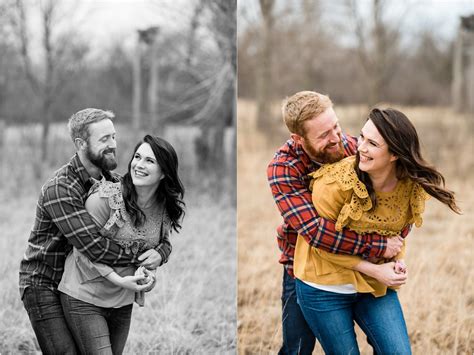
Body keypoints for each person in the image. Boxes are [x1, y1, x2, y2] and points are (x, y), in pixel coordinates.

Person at [294, 108, 460, 354]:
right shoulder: (334, 183)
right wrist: (375, 269)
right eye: (361, 137)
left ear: (394, 154)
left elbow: (398, 234)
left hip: (374, 285)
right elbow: (320, 244)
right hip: (322, 285)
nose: (360, 147)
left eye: (372, 143)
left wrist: (396, 262)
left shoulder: (409, 188)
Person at [267, 91, 408, 355]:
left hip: (362, 273)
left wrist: (395, 250)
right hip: (304, 271)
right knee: (297, 350)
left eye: (336, 126)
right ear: (298, 138)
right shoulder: (284, 168)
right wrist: (381, 245)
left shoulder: (355, 148)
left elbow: (393, 206)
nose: (336, 139)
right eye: (323, 135)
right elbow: (318, 233)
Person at [19, 109, 166, 354]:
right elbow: (94, 246)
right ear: (81, 144)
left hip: (84, 282)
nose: (113, 145)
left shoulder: (116, 185)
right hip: (44, 282)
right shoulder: (61, 188)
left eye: (114, 137)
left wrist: (161, 251)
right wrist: (141, 256)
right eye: (104, 139)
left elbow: (152, 230)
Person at [58, 134, 185, 354]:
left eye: (150, 161)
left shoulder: (163, 206)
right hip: (84, 295)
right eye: (137, 157)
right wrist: (119, 280)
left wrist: (158, 258)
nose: (139, 165)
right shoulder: (106, 198)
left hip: (122, 302)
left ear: (164, 172)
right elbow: (83, 247)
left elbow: (160, 242)